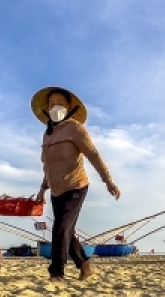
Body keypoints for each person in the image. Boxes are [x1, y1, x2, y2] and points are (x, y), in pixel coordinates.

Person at [31, 86, 120, 281]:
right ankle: (85, 264)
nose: (55, 107)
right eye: (51, 103)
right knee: (66, 230)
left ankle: (56, 272)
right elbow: (48, 166)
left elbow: (93, 154)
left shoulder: (75, 129)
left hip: (75, 186)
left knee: (61, 227)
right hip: (56, 189)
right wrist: (42, 189)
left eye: (60, 103)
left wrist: (108, 180)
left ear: (69, 107)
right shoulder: (47, 134)